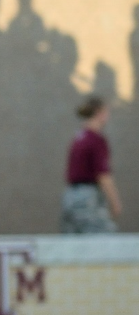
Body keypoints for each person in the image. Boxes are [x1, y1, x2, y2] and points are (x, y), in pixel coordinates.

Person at [61, 95, 121, 234]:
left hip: (70, 196)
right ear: (99, 113)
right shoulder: (95, 139)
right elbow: (103, 175)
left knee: (74, 244)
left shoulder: (79, 137)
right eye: (106, 112)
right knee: (104, 240)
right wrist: (115, 202)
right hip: (87, 198)